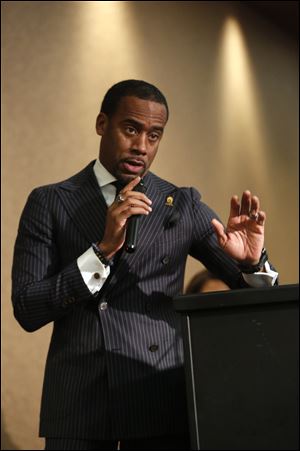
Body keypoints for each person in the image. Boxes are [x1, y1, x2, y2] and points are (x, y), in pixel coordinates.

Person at [11, 79, 278, 450]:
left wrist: (253, 262)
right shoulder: (51, 202)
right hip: (78, 404)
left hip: (158, 398)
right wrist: (102, 251)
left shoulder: (182, 204)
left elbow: (260, 302)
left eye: (154, 135)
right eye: (131, 129)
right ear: (102, 124)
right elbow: (27, 308)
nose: (141, 146)